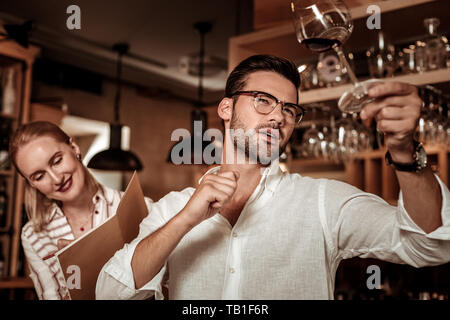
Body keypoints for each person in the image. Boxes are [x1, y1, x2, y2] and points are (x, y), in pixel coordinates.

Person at [96, 55, 449, 300]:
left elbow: (430, 244)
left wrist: (404, 152)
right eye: (263, 101)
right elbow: (111, 292)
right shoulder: (172, 208)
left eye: (289, 109)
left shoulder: (324, 202)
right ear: (226, 108)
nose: (279, 117)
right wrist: (186, 219)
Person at [8, 121, 152, 299]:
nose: (56, 178)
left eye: (57, 161)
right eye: (39, 176)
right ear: (31, 183)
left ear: (74, 147)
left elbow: (158, 283)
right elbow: (51, 295)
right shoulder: (33, 235)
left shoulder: (140, 206)